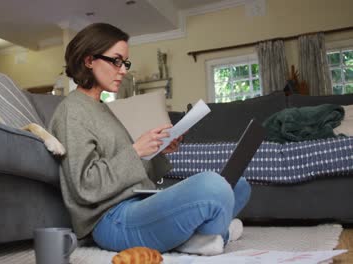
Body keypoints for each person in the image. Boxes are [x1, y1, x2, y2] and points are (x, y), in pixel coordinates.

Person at [49, 23, 251, 255]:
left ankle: (193, 238)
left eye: (125, 62)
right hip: (111, 219)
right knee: (214, 187)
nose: (123, 70)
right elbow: (85, 186)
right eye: (116, 60)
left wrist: (158, 150)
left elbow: (136, 176)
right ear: (88, 60)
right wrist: (136, 151)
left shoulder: (104, 109)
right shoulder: (71, 111)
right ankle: (209, 235)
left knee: (238, 185)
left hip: (139, 201)